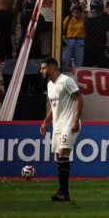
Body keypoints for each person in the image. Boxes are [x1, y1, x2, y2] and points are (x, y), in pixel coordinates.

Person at [39, 57, 82, 202]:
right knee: (58, 158)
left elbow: (79, 99)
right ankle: (62, 191)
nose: (41, 71)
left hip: (69, 123)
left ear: (52, 68)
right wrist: (46, 122)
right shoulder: (50, 85)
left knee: (63, 154)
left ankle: (64, 192)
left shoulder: (66, 81)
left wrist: (76, 120)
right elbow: (54, 106)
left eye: (43, 68)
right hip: (57, 125)